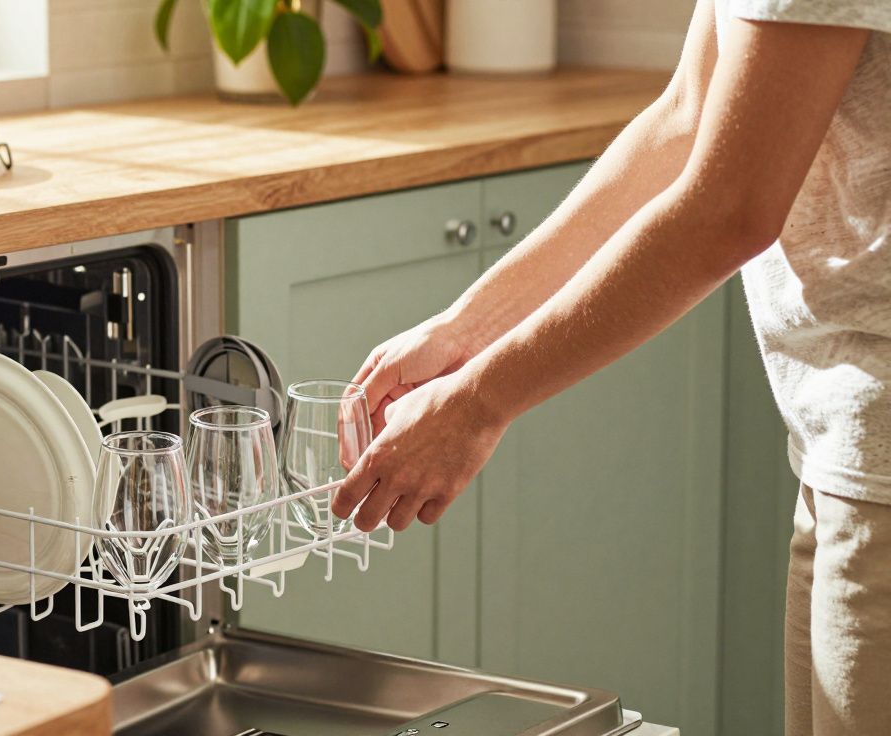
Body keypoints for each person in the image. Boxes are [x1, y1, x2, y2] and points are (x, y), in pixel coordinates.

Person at [331, 1, 891, 733]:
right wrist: (466, 329)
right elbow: (687, 118)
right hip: (841, 444)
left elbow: (730, 209)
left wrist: (477, 403)